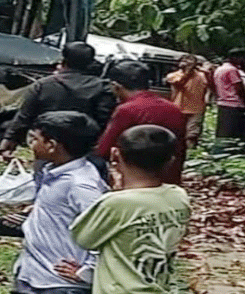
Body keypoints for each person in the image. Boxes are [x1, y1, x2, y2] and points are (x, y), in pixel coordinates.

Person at [70, 125, 191, 294]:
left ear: (115, 155)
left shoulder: (115, 203)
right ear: (171, 160)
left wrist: (116, 191)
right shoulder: (179, 196)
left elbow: (83, 239)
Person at [9, 111, 108, 294]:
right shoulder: (54, 172)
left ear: (52, 145)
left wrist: (88, 271)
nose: (31, 144)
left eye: (35, 139)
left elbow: (103, 229)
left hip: (58, 284)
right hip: (33, 273)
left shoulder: (81, 185)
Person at [0, 42, 116, 160]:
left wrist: (9, 140)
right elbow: (105, 121)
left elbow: (24, 116)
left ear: (63, 60)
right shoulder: (103, 88)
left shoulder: (43, 85)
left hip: (48, 145)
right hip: (84, 149)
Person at [95, 60, 186, 186]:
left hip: (136, 180)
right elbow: (180, 148)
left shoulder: (127, 110)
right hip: (168, 178)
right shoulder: (173, 108)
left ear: (115, 86)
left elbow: (104, 150)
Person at [213, 49, 245, 152]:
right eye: (243, 58)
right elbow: (239, 88)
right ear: (236, 58)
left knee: (225, 130)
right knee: (237, 131)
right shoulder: (232, 70)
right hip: (234, 104)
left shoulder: (220, 69)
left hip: (223, 103)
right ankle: (236, 151)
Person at [165, 55, 209, 149]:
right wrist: (187, 72)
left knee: (192, 134)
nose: (188, 62)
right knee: (177, 132)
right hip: (178, 108)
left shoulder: (202, 75)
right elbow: (180, 83)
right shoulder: (173, 75)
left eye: (190, 60)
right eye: (185, 60)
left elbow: (209, 86)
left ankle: (190, 153)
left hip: (196, 109)